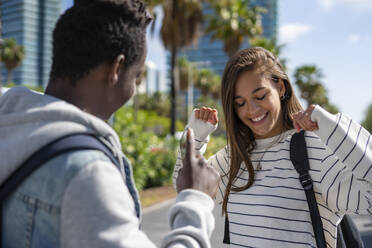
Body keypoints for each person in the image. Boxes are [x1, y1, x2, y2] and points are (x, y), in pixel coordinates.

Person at [0, 0, 220, 247]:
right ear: (116, 68)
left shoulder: (8, 120)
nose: (134, 90)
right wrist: (196, 200)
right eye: (136, 76)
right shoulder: (89, 174)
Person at [173, 47, 372, 248]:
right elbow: (184, 188)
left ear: (281, 87)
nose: (251, 110)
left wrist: (331, 126)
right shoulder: (235, 157)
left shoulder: (312, 150)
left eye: (260, 96)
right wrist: (194, 137)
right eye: (240, 103)